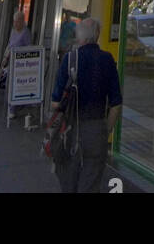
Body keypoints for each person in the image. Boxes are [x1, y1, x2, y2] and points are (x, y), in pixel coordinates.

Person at [50, 17, 121, 194]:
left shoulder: (69, 59)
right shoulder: (107, 60)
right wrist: (107, 129)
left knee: (68, 181)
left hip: (70, 131)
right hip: (96, 130)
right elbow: (116, 103)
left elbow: (55, 102)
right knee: (91, 182)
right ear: (97, 35)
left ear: (79, 37)